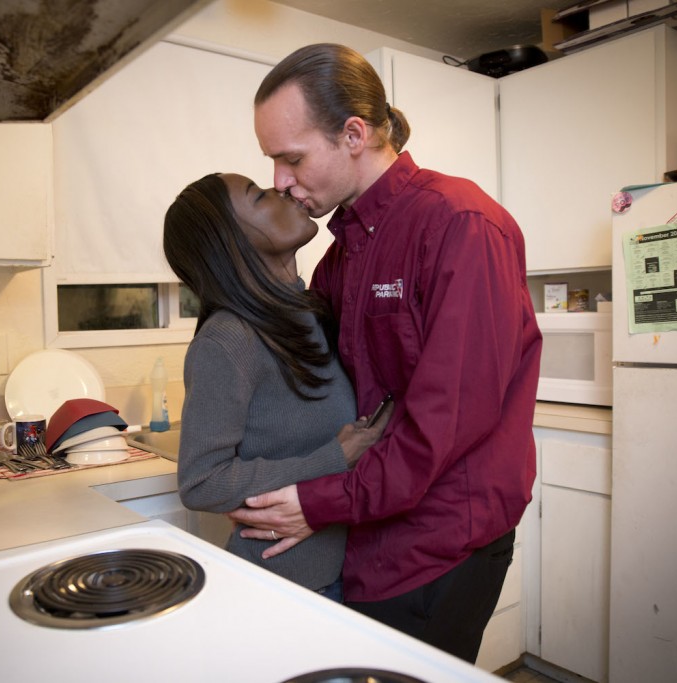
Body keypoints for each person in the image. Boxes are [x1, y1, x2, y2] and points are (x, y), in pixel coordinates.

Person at [227, 43, 543, 663]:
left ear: (353, 133)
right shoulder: (340, 255)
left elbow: (441, 424)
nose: (279, 182)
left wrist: (316, 504)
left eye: (291, 159)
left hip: (438, 545)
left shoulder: (462, 225)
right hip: (370, 535)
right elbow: (319, 392)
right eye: (272, 164)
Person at [162, 172, 390, 600]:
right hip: (286, 586)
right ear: (232, 240)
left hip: (349, 572)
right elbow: (201, 481)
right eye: (259, 196)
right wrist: (334, 457)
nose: (282, 190)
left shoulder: (309, 312)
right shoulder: (228, 339)